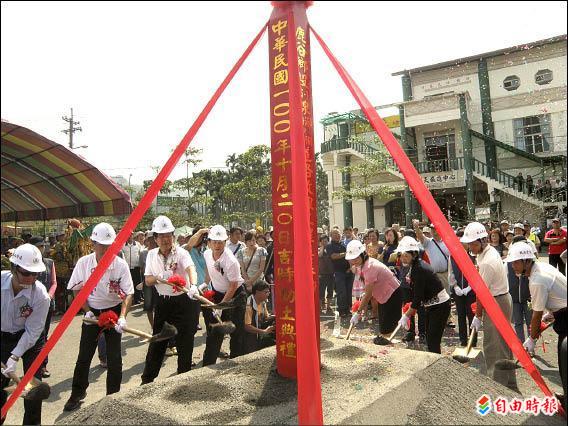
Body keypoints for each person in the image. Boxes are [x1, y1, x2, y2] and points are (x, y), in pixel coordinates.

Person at [63, 223, 134, 411]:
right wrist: (86, 310)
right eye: (100, 245)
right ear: (93, 243)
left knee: (114, 357)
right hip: (91, 311)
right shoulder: (84, 263)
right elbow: (75, 290)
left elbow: (128, 293)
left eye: (108, 245)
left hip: (113, 311)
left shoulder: (120, 265)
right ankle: (77, 393)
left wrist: (123, 316)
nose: (104, 249)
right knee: (84, 356)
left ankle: (113, 396)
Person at [141, 216, 200, 384]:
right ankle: (147, 380)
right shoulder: (152, 255)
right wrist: (160, 277)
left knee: (185, 342)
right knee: (158, 341)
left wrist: (193, 285)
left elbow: (191, 268)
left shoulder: (181, 253)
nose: (166, 239)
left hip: (184, 301)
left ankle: (184, 378)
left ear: (173, 236)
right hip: (164, 303)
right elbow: (147, 280)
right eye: (162, 236)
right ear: (155, 238)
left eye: (169, 235)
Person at [507, 242, 567, 410]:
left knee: (565, 360)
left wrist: (532, 339)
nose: (513, 266)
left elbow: (536, 314)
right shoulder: (540, 267)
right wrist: (553, 312)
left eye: (516, 262)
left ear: (527, 261)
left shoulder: (537, 280)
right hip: (562, 312)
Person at [462, 222, 518, 391]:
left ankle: (498, 386)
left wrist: (478, 317)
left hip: (496, 302)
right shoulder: (487, 251)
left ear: (483, 240)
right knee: (503, 345)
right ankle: (509, 383)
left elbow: (481, 293)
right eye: (469, 243)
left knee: (493, 346)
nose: (471, 247)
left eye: (474, 243)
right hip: (500, 299)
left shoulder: (487, 260)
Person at [1, 244, 50, 425]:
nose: (31, 278)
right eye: (26, 273)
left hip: (30, 338)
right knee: (1, 386)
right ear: (14, 268)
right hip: (3, 336)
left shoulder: (41, 296)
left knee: (33, 389)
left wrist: (14, 356)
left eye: (35, 274)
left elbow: (33, 330)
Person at [395, 236, 450, 353]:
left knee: (433, 341)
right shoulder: (414, 266)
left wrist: (406, 315)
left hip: (440, 306)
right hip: (431, 305)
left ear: (414, 255)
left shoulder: (419, 268)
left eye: (406, 256)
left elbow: (418, 297)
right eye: (400, 255)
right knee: (431, 339)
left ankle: (437, 367)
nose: (402, 259)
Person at [202, 225, 247, 365]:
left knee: (236, 330)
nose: (217, 245)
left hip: (235, 295)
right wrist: (205, 283)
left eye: (220, 242)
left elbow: (233, 285)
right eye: (214, 242)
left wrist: (221, 306)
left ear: (225, 242)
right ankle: (208, 365)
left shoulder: (231, 261)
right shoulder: (206, 253)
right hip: (217, 292)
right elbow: (209, 270)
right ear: (209, 242)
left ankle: (235, 362)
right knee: (215, 330)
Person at [347, 240, 402, 341]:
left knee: (388, 326)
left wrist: (358, 313)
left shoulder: (369, 267)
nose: (354, 261)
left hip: (392, 294)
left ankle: (389, 344)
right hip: (383, 295)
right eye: (352, 259)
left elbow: (368, 295)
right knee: (384, 325)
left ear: (363, 254)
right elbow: (367, 287)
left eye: (356, 258)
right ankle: (386, 340)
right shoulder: (361, 265)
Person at [29, 237, 57, 379]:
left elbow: (54, 283)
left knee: (43, 335)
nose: (41, 248)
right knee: (28, 334)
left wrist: (48, 296)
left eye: (43, 246)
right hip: (29, 305)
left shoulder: (49, 262)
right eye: (38, 246)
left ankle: (42, 365)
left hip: (46, 304)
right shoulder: (27, 264)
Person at [449, 230, 477, 347]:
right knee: (460, 315)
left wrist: (469, 287)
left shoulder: (474, 256)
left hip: (471, 291)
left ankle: (473, 340)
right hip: (458, 291)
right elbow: (451, 273)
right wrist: (455, 286)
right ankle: (463, 340)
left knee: (471, 315)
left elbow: (476, 273)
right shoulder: (452, 256)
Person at [507, 238, 532, 342]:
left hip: (529, 299)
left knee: (530, 323)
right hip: (515, 299)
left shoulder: (530, 264)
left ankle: (531, 346)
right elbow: (504, 279)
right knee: (518, 323)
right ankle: (521, 346)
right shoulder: (508, 264)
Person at [326, 229, 354, 317]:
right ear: (331, 235)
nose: (337, 235)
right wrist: (345, 253)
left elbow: (350, 257)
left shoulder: (343, 244)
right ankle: (342, 310)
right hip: (338, 272)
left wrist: (350, 268)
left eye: (338, 233)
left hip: (348, 271)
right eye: (335, 234)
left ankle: (348, 309)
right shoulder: (329, 245)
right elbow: (333, 256)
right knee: (341, 291)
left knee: (349, 291)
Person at [243, 281, 275, 354]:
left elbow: (266, 317)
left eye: (269, 292)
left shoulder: (263, 302)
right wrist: (264, 331)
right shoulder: (249, 305)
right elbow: (246, 326)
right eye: (266, 292)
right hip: (248, 336)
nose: (268, 294)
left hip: (258, 331)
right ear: (257, 292)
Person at [139, 232, 158, 329]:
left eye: (152, 238)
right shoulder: (143, 253)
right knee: (148, 306)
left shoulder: (161, 251)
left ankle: (160, 326)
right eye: (149, 239)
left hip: (159, 282)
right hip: (148, 283)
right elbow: (142, 269)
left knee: (160, 306)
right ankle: (153, 327)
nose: (151, 241)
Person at [122, 232, 143, 305]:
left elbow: (141, 254)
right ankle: (130, 299)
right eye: (127, 235)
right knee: (128, 284)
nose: (129, 236)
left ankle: (137, 298)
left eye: (130, 235)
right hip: (127, 268)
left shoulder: (137, 244)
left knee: (137, 283)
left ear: (132, 236)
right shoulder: (123, 245)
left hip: (136, 267)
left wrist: (141, 265)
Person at [318, 235, 334, 314]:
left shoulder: (330, 249)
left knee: (330, 290)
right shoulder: (319, 249)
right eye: (323, 241)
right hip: (322, 274)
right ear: (320, 242)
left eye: (326, 241)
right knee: (321, 291)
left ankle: (328, 306)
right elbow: (319, 255)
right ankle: (320, 306)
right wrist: (322, 248)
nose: (325, 243)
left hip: (331, 273)